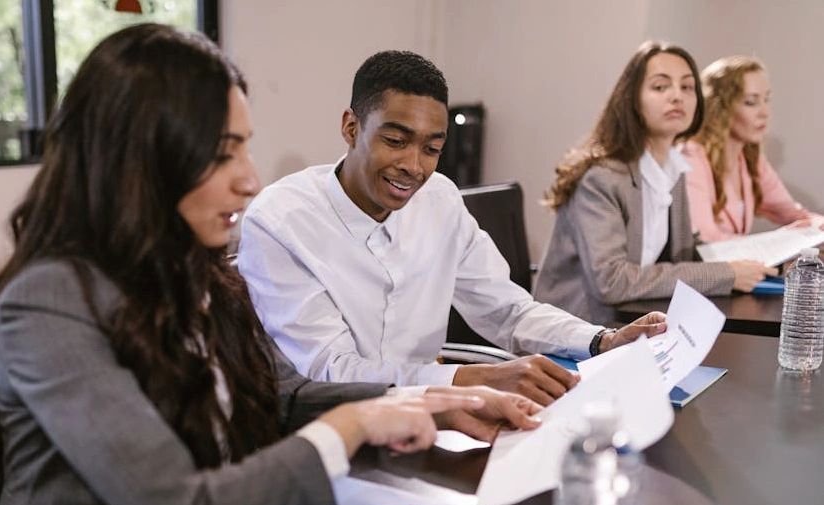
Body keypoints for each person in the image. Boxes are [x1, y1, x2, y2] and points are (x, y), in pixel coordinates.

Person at [0, 25, 547, 505]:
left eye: (245, 147)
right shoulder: (49, 302)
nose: (250, 179)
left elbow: (285, 396)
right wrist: (351, 428)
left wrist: (419, 403)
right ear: (139, 158)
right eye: (222, 153)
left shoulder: (200, 273)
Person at [237, 49, 667, 407]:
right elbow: (332, 372)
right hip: (333, 426)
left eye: (432, 149)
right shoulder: (280, 222)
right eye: (395, 140)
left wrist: (602, 341)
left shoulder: (439, 199)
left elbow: (507, 310)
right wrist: (472, 380)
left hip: (435, 414)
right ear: (351, 127)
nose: (413, 166)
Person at [534, 40, 774, 324]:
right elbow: (611, 281)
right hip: (579, 330)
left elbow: (684, 253)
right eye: (661, 87)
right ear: (632, 100)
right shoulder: (602, 178)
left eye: (687, 87)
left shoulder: (672, 169)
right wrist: (727, 273)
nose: (677, 97)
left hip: (636, 324)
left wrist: (767, 262)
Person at [681, 55, 822, 242]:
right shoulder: (690, 157)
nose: (765, 112)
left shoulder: (750, 159)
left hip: (741, 269)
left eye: (766, 100)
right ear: (719, 108)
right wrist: (774, 245)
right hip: (707, 270)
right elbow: (705, 239)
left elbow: (796, 215)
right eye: (750, 102)